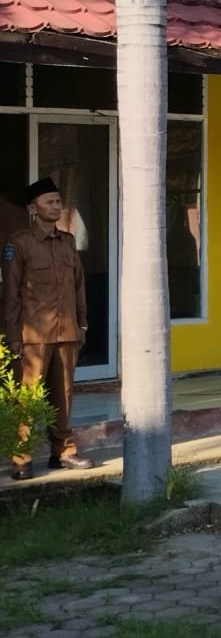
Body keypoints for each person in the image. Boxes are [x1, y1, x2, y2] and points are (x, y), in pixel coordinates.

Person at [2, 178, 97, 480]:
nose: (56, 206)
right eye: (50, 202)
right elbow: (11, 293)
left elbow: (78, 285)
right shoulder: (19, 244)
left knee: (64, 394)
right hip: (33, 335)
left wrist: (81, 323)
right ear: (33, 208)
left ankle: (64, 451)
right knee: (28, 396)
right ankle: (22, 456)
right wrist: (13, 335)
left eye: (58, 201)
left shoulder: (67, 241)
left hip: (67, 330)